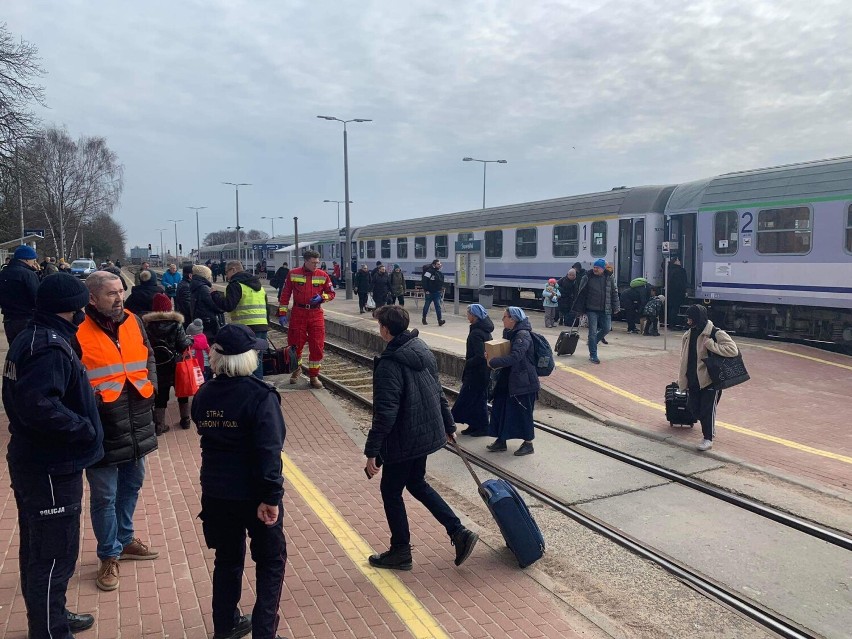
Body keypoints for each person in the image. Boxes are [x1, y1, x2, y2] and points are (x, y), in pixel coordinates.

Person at [3, 273, 103, 638]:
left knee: (39, 549)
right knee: (53, 556)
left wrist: (84, 402)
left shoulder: (31, 336)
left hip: (38, 460)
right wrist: (83, 426)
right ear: (71, 308)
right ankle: (49, 631)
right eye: (82, 306)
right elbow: (38, 405)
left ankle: (53, 616)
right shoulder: (48, 346)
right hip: (49, 466)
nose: (84, 312)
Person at [191, 324, 288, 639]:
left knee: (227, 561)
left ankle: (225, 628)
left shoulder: (204, 393)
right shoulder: (261, 397)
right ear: (248, 357)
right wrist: (271, 497)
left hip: (217, 493)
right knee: (270, 562)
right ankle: (264, 632)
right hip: (256, 494)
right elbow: (269, 452)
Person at [365, 306, 479, 571]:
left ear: (385, 329)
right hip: (424, 434)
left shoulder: (389, 364)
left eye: (379, 324)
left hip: (405, 438)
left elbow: (385, 414)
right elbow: (437, 391)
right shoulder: (420, 348)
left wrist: (373, 451)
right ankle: (458, 531)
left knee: (390, 491)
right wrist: (448, 424)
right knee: (416, 483)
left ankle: (400, 552)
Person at [75, 271, 160, 592]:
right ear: (92, 298)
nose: (119, 297)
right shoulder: (77, 329)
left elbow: (148, 355)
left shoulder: (133, 321)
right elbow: (74, 374)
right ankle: (108, 555)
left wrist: (150, 385)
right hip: (103, 422)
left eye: (121, 291)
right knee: (104, 495)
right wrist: (92, 402)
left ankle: (124, 539)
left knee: (132, 485)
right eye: (111, 293)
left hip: (137, 417)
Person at [678, 305, 738, 451]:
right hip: (693, 378)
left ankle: (708, 438)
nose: (688, 321)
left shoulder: (714, 333)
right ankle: (709, 429)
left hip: (710, 379)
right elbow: (684, 358)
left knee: (707, 410)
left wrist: (711, 345)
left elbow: (733, 350)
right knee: (694, 409)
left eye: (690, 318)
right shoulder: (688, 334)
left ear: (698, 318)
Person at [485, 307, 539, 456]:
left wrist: (494, 361)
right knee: (500, 408)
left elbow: (516, 357)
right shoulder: (510, 333)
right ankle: (501, 440)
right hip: (509, 379)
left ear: (513, 319)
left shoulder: (522, 335)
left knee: (523, 413)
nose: (502, 320)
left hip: (523, 382)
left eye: (504, 317)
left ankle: (528, 444)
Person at [277, 250, 335, 389]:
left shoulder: (323, 275)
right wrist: (282, 313)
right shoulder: (293, 273)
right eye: (314, 262)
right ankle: (297, 369)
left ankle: (314, 376)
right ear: (306, 261)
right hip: (298, 313)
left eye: (318, 262)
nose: (316, 265)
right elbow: (285, 294)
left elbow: (331, 293)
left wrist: (323, 298)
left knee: (317, 346)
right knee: (295, 345)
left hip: (316, 314)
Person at [144, 293, 193, 434]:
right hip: (176, 363)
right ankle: (186, 421)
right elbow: (183, 344)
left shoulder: (147, 326)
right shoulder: (176, 324)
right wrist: (191, 341)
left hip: (158, 366)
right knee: (182, 392)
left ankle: (160, 425)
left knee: (161, 395)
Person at [212, 260, 269, 379]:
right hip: (262, 325)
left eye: (226, 272)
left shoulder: (235, 284)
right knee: (257, 360)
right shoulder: (259, 286)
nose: (226, 275)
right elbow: (266, 307)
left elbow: (228, 306)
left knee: (246, 361)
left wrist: (215, 295)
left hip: (246, 328)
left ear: (233, 270)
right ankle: (260, 387)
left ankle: (252, 390)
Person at [453, 304, 494, 437]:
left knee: (471, 398)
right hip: (483, 372)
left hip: (476, 373)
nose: (467, 315)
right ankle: (475, 424)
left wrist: (467, 363)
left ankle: (481, 426)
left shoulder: (476, 333)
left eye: (468, 313)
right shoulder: (484, 330)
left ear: (474, 316)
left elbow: (479, 356)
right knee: (476, 399)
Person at [572, 258, 620, 364]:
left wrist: (616, 306)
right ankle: (593, 355)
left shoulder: (609, 277)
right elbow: (581, 293)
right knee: (592, 332)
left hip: (605, 308)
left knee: (607, 328)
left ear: (603, 269)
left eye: (597, 268)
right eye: (594, 267)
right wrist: (579, 310)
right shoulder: (587, 277)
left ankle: (592, 342)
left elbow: (614, 292)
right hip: (591, 309)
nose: (595, 269)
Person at [0, 244, 41, 343]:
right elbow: (37, 297)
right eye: (33, 259)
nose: (34, 262)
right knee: (28, 349)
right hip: (26, 318)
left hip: (8, 319)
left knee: (14, 349)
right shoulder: (28, 274)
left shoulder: (3, 273)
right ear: (26, 259)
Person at [190, 264, 225, 342]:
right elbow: (214, 305)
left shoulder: (195, 285)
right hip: (209, 322)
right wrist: (222, 305)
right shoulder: (204, 288)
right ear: (205, 276)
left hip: (200, 319)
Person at [420, 259, 446, 326]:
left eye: (440, 264)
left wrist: (440, 289)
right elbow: (424, 281)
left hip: (437, 292)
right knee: (427, 306)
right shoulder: (429, 272)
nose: (440, 265)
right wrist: (426, 290)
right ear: (434, 265)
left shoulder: (438, 272)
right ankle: (424, 318)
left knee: (438, 306)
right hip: (429, 292)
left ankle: (439, 320)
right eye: (438, 264)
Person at [667, 257, 688, 328]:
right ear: (675, 262)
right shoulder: (681, 270)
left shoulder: (670, 270)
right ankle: (673, 325)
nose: (679, 261)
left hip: (670, 292)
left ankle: (671, 324)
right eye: (678, 260)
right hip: (678, 292)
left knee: (671, 308)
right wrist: (685, 291)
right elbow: (682, 283)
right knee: (675, 309)